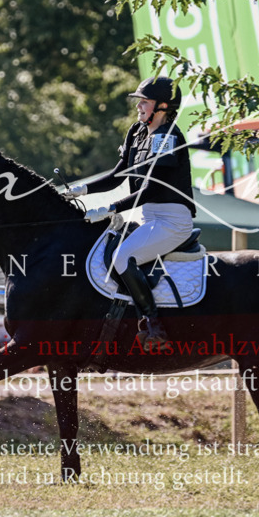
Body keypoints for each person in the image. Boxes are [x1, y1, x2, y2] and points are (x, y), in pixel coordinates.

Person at [66, 76, 196, 350]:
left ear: (163, 106)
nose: (138, 107)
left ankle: (154, 325)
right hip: (148, 215)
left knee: (123, 256)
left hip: (172, 220)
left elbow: (150, 188)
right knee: (102, 242)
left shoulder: (168, 137)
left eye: (144, 102)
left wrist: (112, 207)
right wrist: (81, 189)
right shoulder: (136, 132)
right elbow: (117, 176)